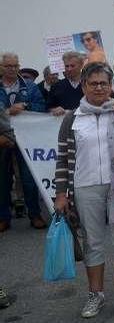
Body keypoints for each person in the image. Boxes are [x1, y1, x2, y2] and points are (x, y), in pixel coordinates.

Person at [54, 62, 114, 318]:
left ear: (111, 85)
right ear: (83, 86)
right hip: (85, 186)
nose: (99, 88)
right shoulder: (72, 118)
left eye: (104, 83)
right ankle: (96, 294)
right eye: (93, 83)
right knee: (92, 242)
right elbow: (62, 159)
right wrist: (61, 194)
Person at [0, 52, 47, 232]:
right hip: (3, 138)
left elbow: (41, 108)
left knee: (29, 179)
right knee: (2, 180)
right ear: (1, 67)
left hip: (26, 139)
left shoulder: (30, 86)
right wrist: (8, 111)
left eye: (15, 66)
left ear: (19, 67)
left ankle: (35, 214)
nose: (12, 69)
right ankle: (3, 217)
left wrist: (25, 107)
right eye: (8, 66)